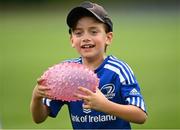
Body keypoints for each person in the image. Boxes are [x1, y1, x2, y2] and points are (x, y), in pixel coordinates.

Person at [30, 1, 147, 129]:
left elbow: (140, 116)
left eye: (93, 31)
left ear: (108, 38)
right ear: (72, 40)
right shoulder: (66, 74)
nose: (85, 37)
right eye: (79, 33)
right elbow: (39, 118)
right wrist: (36, 96)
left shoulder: (118, 70)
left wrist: (105, 105)